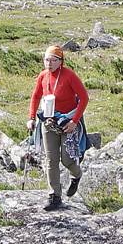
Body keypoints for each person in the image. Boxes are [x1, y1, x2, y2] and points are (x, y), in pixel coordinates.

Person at [28, 43, 89, 210]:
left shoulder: (70, 76)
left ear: (61, 61)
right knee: (51, 160)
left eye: (53, 60)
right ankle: (54, 196)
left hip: (68, 122)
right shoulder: (42, 76)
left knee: (67, 160)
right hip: (48, 122)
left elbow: (84, 98)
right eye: (47, 60)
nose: (49, 63)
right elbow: (35, 97)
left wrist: (74, 121)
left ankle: (76, 175)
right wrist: (31, 118)